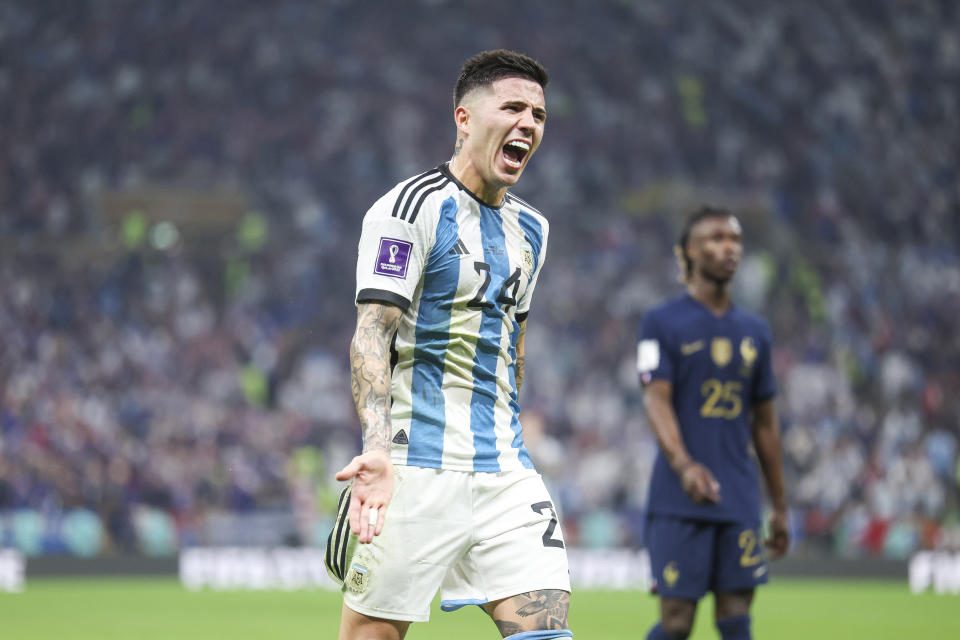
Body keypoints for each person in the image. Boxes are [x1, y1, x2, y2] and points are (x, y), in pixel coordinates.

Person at [326, 50, 573, 640]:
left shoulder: (533, 229)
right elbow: (372, 333)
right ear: (464, 118)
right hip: (415, 466)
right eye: (512, 107)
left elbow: (513, 341)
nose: (529, 124)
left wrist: (521, 426)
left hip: (504, 472)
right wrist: (378, 451)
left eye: (538, 114)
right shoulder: (411, 207)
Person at [636, 207, 789, 640]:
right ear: (689, 250)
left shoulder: (755, 331)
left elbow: (765, 425)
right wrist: (685, 465)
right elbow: (656, 400)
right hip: (678, 497)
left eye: (735, 239)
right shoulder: (661, 322)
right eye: (717, 238)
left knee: (737, 618)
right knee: (678, 622)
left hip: (738, 496)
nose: (729, 248)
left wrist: (778, 506)